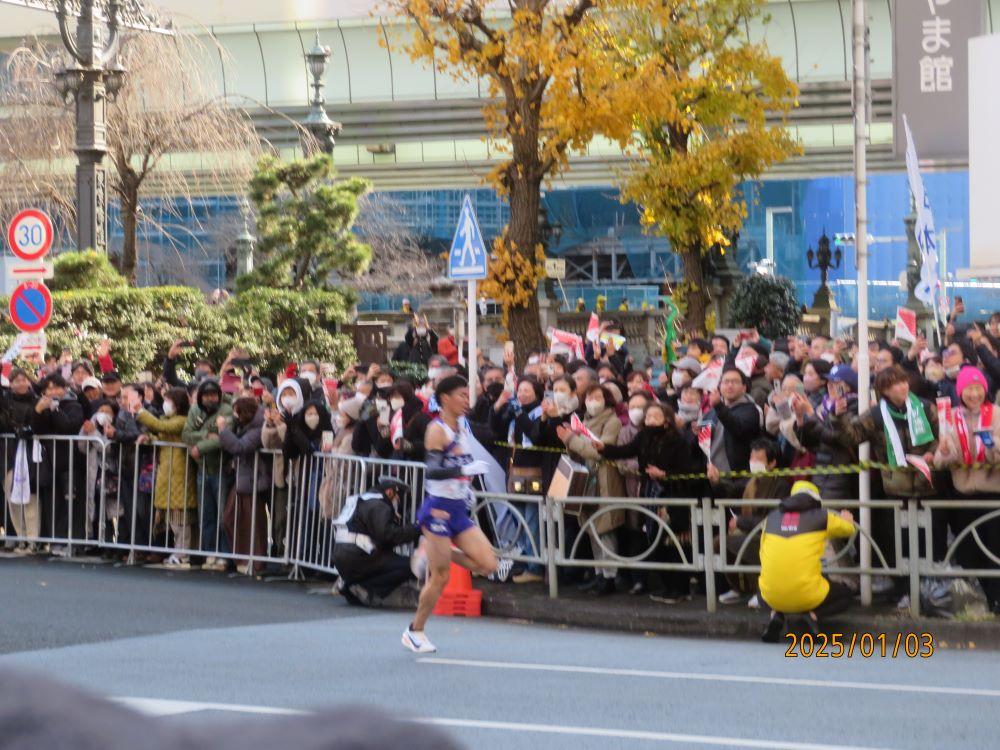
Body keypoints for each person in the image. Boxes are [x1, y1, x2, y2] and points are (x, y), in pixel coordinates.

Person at [403, 376, 499, 654]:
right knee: (441, 576)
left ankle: (429, 550)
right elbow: (431, 470)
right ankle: (415, 630)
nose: (467, 401)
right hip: (438, 508)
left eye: (467, 396)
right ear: (444, 398)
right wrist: (462, 472)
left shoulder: (463, 429)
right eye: (461, 395)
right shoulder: (437, 429)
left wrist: (468, 484)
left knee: (488, 564)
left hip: (459, 508)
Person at [758, 480, 857, 642]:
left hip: (772, 594)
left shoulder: (771, 518)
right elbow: (848, 530)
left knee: (765, 588)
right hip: (807, 594)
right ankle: (811, 615)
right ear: (816, 500)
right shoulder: (822, 517)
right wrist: (847, 518)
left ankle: (776, 614)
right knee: (846, 595)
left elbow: (762, 553)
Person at [557, 384, 626, 595]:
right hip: (586, 480)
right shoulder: (584, 420)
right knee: (592, 529)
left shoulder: (612, 421)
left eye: (598, 397)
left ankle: (610, 576)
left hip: (604, 480)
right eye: (589, 397)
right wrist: (571, 440)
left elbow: (599, 452)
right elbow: (578, 451)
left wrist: (572, 439)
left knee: (605, 529)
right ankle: (599, 574)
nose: (592, 401)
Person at [333, 477, 422, 607]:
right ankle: (369, 589)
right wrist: (416, 528)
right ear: (390, 492)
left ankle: (349, 586)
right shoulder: (379, 505)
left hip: (342, 556)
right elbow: (388, 535)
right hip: (359, 556)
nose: (398, 501)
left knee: (388, 560)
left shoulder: (360, 499)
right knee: (412, 566)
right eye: (398, 497)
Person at [135, 387, 197, 568]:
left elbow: (162, 427)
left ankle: (183, 553)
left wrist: (140, 411)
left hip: (181, 474)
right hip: (167, 474)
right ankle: (178, 551)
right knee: (170, 519)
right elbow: (160, 433)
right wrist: (148, 437)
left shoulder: (182, 421)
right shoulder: (167, 419)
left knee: (180, 519)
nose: (165, 404)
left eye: (168, 400)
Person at [32, 373, 85, 552]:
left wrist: (55, 409)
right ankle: (56, 539)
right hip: (49, 461)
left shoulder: (74, 405)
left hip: (70, 461)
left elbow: (68, 426)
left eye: (57, 388)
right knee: (53, 503)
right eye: (49, 388)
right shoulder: (42, 405)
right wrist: (38, 411)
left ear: (64, 389)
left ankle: (75, 542)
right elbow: (37, 430)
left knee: (73, 503)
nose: (53, 392)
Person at [182, 379, 232, 570]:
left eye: (213, 395)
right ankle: (209, 552)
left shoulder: (226, 410)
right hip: (203, 469)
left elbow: (223, 438)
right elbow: (186, 434)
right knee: (207, 515)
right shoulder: (195, 410)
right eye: (206, 395)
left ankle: (224, 555)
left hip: (220, 469)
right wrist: (205, 435)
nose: (210, 398)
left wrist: (200, 447)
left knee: (222, 516)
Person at [219, 396, 271, 575]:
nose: (235, 416)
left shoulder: (257, 429)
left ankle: (256, 562)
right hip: (243, 479)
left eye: (237, 412)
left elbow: (240, 447)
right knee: (231, 519)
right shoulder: (247, 427)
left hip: (252, 481)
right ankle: (243, 557)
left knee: (254, 524)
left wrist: (223, 431)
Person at [2, 368, 40, 551]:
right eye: (16, 380)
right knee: (13, 498)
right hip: (9, 455)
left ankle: (33, 539)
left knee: (31, 498)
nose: (20, 383)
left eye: (23, 379)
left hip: (30, 455)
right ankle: (21, 536)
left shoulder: (36, 399)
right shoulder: (5, 401)